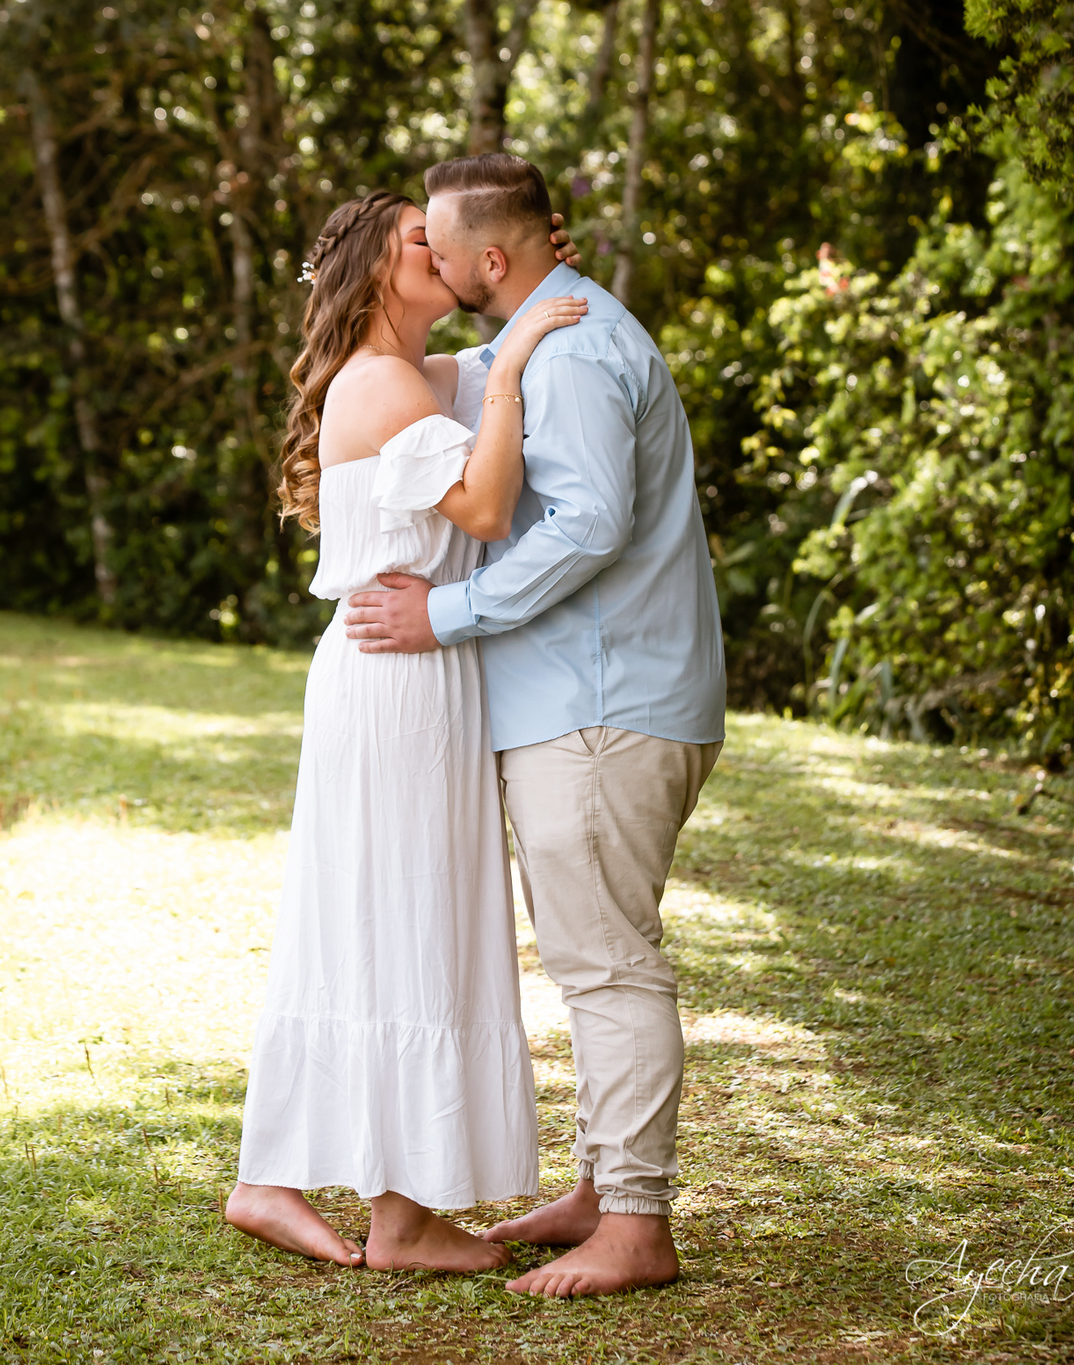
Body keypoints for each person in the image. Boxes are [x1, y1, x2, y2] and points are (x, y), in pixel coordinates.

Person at [344, 153, 728, 1298]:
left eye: (442, 247)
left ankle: (639, 1227)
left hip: (603, 708)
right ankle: (605, 1190)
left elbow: (586, 528)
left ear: (490, 261)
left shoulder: (570, 352)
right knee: (591, 957)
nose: (434, 258)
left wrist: (446, 612)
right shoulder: (549, 339)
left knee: (609, 967)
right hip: (593, 702)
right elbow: (435, 376)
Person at [226, 188, 586, 1273]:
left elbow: (491, 348)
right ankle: (391, 1213)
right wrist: (516, 368)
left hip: (414, 672)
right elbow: (480, 507)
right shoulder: (381, 384)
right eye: (414, 241)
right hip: (395, 682)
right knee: (402, 919)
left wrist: (531, 267)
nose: (436, 249)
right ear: (380, 275)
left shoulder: (418, 375)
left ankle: (300, 1186)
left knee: (385, 918)